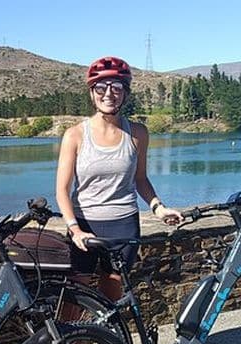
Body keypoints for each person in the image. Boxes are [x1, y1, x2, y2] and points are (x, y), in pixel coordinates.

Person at [55, 56, 183, 302]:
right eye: (101, 88)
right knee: (75, 296)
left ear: (125, 92)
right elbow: (62, 189)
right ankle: (75, 342)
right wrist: (74, 228)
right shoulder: (75, 135)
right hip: (84, 224)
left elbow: (141, 179)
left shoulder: (137, 134)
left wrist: (158, 208)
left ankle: (110, 342)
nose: (109, 94)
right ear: (92, 93)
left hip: (123, 225)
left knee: (110, 299)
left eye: (116, 87)